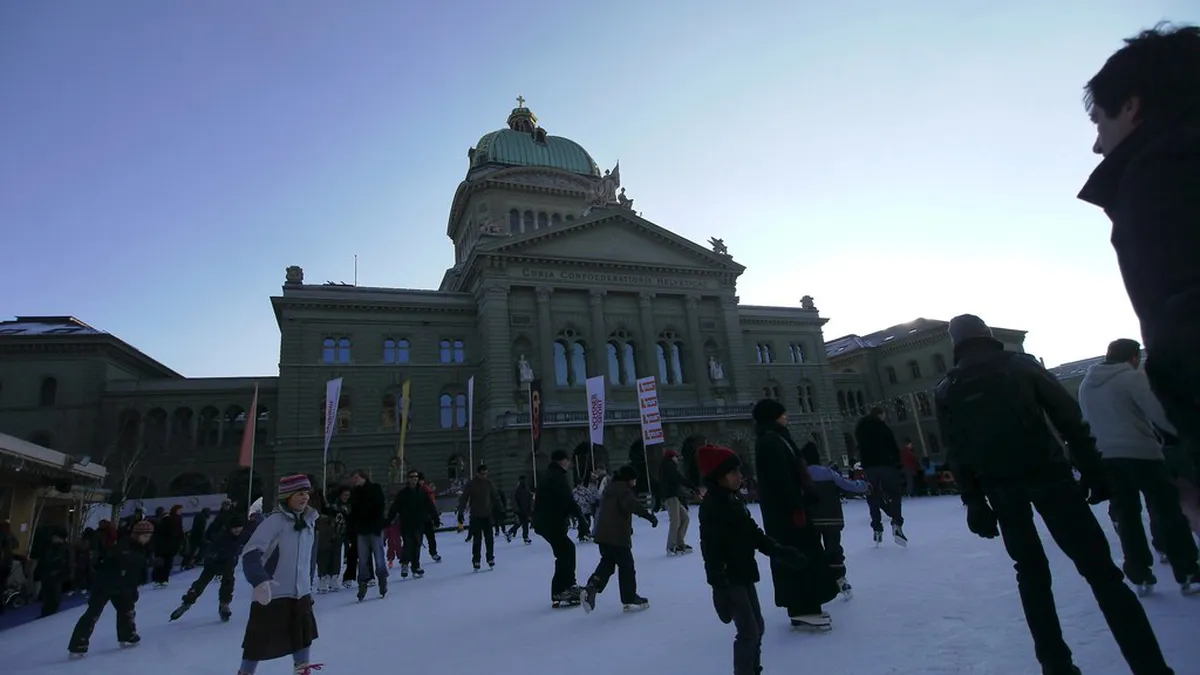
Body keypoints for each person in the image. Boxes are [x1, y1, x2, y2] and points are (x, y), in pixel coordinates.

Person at [935, 313, 1177, 675]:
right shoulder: (1020, 366)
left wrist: (974, 502)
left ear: (956, 344)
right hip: (1051, 478)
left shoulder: (947, 388)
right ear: (987, 335)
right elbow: (1070, 420)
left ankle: (1056, 665)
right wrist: (1094, 471)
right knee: (1102, 574)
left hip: (1002, 491)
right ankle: (1150, 666)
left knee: (1030, 575)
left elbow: (955, 450)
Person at [1077, 24, 1200, 476]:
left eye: (1099, 122)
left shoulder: (1163, 177)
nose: (1096, 144)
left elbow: (1188, 315)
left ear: (1131, 105)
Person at [1078, 337, 1200, 594]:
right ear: (1133, 357)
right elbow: (1159, 414)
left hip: (1107, 458)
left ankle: (1140, 574)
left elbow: (1086, 420)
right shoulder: (1131, 378)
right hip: (1142, 454)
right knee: (1169, 512)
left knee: (1128, 517)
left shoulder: (1087, 384)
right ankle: (1188, 571)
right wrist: (1183, 435)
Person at [698, 444, 806, 675]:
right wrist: (718, 582)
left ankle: (753, 669)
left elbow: (753, 533)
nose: (740, 476)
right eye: (734, 472)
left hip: (744, 571)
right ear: (719, 476)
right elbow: (711, 547)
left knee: (757, 627)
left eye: (739, 471)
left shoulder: (733, 501)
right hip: (729, 578)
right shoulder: (713, 507)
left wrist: (779, 551)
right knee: (748, 631)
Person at [751, 398, 839, 629]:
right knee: (796, 557)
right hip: (786, 514)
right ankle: (801, 607)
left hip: (793, 509)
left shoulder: (778, 439)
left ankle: (810, 603)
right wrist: (795, 506)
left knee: (806, 555)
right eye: (782, 413)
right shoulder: (770, 442)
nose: (786, 416)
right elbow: (780, 480)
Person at [238, 474, 321, 675]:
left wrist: (308, 586)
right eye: (300, 493)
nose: (305, 497)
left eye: (307, 493)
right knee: (257, 643)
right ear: (287, 496)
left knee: (302, 638)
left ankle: (302, 672)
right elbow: (250, 553)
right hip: (272, 593)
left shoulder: (310, 520)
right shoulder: (274, 521)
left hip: (301, 593)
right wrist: (259, 581)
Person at [68, 519, 153, 656]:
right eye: (145, 536)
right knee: (93, 613)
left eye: (149, 536)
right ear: (137, 534)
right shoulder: (122, 547)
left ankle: (127, 635)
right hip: (105, 584)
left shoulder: (141, 549)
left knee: (127, 610)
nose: (147, 539)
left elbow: (136, 572)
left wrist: (133, 588)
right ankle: (79, 642)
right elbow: (109, 564)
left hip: (123, 585)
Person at [581, 465, 657, 613]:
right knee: (627, 566)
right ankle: (629, 597)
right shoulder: (623, 490)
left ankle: (592, 587)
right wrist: (649, 516)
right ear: (629, 479)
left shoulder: (611, 488)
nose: (635, 482)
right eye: (634, 479)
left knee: (608, 562)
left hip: (603, 534)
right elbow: (632, 505)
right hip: (616, 535)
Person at [799, 441, 869, 599]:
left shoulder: (801, 476)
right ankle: (840, 579)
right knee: (834, 549)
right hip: (832, 518)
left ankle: (819, 581)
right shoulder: (829, 473)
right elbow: (848, 485)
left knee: (814, 551)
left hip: (813, 520)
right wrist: (864, 485)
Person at [532, 449, 586, 607]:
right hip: (550, 522)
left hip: (548, 522)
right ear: (562, 461)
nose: (568, 463)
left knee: (566, 551)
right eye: (567, 460)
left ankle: (565, 586)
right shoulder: (557, 476)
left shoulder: (551, 474)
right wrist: (581, 519)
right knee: (566, 551)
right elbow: (568, 500)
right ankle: (563, 589)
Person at [170, 512, 247, 622]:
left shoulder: (244, 535)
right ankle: (187, 602)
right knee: (201, 583)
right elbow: (210, 549)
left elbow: (253, 541)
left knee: (228, 583)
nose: (237, 530)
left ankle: (224, 605)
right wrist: (212, 557)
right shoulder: (222, 537)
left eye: (239, 527)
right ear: (230, 527)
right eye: (235, 528)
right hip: (213, 563)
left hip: (229, 563)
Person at [854, 406, 907, 545]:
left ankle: (877, 527)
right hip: (886, 466)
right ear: (880, 414)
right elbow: (893, 447)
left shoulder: (860, 429)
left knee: (873, 497)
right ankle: (896, 522)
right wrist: (897, 464)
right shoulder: (883, 428)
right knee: (895, 494)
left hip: (869, 468)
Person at [347, 469, 388, 601]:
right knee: (363, 559)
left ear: (364, 477)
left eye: (356, 477)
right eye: (353, 478)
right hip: (362, 530)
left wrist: (379, 524)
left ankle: (382, 580)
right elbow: (353, 512)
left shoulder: (375, 488)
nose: (354, 480)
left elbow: (380, 506)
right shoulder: (354, 493)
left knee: (379, 556)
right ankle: (362, 584)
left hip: (374, 528)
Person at [389, 469, 439, 578]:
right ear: (408, 479)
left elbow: (430, 506)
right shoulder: (403, 493)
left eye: (416, 477)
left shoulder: (422, 492)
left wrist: (435, 518)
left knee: (417, 545)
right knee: (408, 544)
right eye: (412, 477)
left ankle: (415, 566)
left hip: (419, 523)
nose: (414, 479)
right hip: (406, 523)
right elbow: (395, 507)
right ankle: (405, 564)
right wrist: (389, 519)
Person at [457, 464, 503, 571]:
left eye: (486, 474)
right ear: (477, 474)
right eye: (482, 474)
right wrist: (461, 512)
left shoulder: (489, 483)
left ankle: (490, 558)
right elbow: (464, 498)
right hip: (476, 516)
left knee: (489, 539)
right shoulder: (471, 484)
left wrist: (501, 509)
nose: (484, 476)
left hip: (487, 515)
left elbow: (495, 497)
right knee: (477, 540)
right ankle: (476, 560)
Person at [659, 448, 699, 554]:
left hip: (674, 497)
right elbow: (678, 478)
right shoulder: (668, 466)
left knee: (685, 518)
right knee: (675, 521)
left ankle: (679, 542)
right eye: (676, 457)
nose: (677, 459)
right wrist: (692, 486)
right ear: (671, 457)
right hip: (670, 497)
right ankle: (671, 546)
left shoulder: (669, 466)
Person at [508, 475, 534, 544]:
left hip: (525, 509)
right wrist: (517, 510)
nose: (525, 481)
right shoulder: (518, 490)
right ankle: (525, 537)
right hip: (521, 510)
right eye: (523, 480)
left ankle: (512, 532)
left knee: (522, 523)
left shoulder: (526, 489)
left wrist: (530, 508)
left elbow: (529, 498)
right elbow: (515, 500)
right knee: (523, 523)